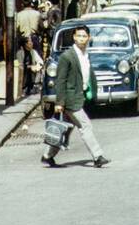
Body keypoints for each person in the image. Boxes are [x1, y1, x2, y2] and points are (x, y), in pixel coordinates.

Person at [43, 24, 110, 168]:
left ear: (89, 38)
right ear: (74, 37)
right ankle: (98, 156)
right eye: (78, 36)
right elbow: (60, 80)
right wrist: (59, 102)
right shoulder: (67, 56)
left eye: (84, 36)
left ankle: (47, 155)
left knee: (66, 128)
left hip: (79, 96)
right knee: (85, 125)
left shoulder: (86, 55)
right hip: (70, 98)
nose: (81, 39)